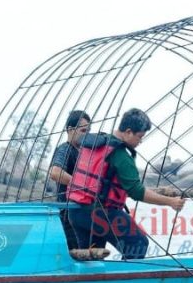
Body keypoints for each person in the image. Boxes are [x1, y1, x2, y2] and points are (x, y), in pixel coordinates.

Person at [67, 108, 186, 259]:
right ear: (128, 132)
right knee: (138, 243)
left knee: (91, 258)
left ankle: (91, 281)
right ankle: (127, 281)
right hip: (98, 213)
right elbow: (136, 191)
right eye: (139, 137)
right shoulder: (120, 155)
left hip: (77, 212)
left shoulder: (99, 142)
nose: (140, 142)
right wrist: (171, 202)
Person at [49, 110, 90, 250]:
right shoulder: (65, 149)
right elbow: (55, 173)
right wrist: (83, 185)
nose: (87, 134)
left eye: (88, 131)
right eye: (83, 130)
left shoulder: (84, 153)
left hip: (82, 214)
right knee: (77, 256)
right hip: (68, 215)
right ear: (70, 130)